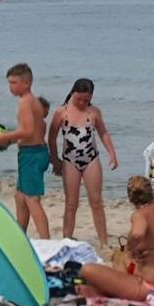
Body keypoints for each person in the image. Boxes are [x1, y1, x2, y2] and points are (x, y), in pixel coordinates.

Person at [46, 78, 119, 248]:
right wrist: (55, 160)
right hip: (70, 160)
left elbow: (103, 133)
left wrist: (112, 153)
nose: (82, 103)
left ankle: (103, 242)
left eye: (86, 100)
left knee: (96, 201)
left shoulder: (93, 112)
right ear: (73, 93)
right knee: (71, 203)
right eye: (79, 99)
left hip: (91, 159)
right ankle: (66, 239)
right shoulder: (61, 112)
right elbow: (51, 138)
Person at [0, 63, 51, 238]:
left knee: (32, 200)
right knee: (19, 196)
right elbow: (34, 132)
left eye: (14, 82)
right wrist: (12, 142)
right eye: (9, 83)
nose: (10, 87)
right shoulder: (33, 101)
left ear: (26, 83)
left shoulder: (25, 102)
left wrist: (5, 137)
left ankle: (47, 241)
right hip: (34, 153)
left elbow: (29, 131)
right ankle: (20, 235)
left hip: (32, 155)